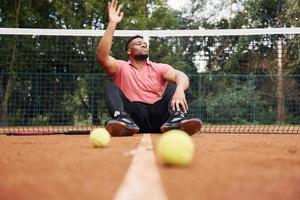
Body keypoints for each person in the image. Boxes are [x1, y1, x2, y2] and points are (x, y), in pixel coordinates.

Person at [97, 0, 202, 136]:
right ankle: (121, 119)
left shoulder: (159, 67)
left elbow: (181, 76)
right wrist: (112, 24)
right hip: (132, 116)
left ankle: (176, 120)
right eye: (139, 44)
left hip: (158, 116)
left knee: (174, 86)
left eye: (145, 44)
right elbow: (102, 56)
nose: (144, 45)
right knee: (109, 85)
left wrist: (180, 89)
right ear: (129, 51)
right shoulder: (120, 66)